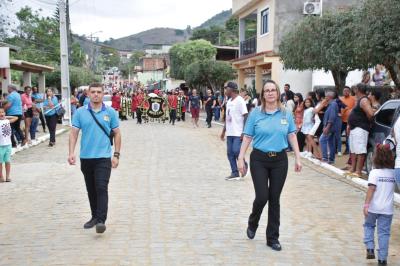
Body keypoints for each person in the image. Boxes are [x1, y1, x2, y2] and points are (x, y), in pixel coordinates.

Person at [238, 79, 302, 251]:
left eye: (273, 90)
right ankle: (253, 222)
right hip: (259, 159)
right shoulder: (255, 114)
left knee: (275, 199)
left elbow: (292, 136)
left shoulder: (286, 113)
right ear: (263, 94)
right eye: (267, 90)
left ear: (278, 92)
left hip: (280, 161)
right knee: (262, 196)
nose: (270, 93)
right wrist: (240, 157)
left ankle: (272, 238)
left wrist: (298, 157)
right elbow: (247, 137)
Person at [68, 83, 121, 234]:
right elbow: (74, 133)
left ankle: (101, 220)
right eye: (93, 92)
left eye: (99, 92)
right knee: (91, 189)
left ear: (103, 94)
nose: (96, 94)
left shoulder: (110, 112)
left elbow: (117, 133)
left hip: (103, 158)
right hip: (86, 158)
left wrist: (116, 155)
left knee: (101, 187)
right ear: (88, 94)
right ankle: (94, 216)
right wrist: (71, 153)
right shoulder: (79, 112)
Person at [363, 144, 395, 265]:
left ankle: (370, 247)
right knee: (384, 234)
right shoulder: (393, 174)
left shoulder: (374, 172)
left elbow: (371, 189)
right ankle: (382, 259)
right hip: (387, 210)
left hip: (373, 207)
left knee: (368, 226)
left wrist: (366, 205)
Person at [219, 82, 248, 180]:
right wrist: (223, 132)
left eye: (226, 89)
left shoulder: (240, 100)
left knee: (236, 150)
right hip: (230, 132)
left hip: (238, 132)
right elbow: (227, 119)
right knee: (229, 153)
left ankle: (243, 165)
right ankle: (234, 172)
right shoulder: (229, 102)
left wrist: (244, 131)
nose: (225, 91)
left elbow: (245, 116)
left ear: (231, 89)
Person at [347, 83, 375, 177]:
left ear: (357, 90)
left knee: (360, 150)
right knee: (354, 150)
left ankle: (358, 171)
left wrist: (366, 121)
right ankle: (353, 168)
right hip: (355, 128)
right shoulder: (359, 100)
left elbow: (371, 114)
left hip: (361, 128)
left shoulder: (363, 100)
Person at [319, 91, 339, 164]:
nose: (325, 98)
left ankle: (325, 158)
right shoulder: (331, 104)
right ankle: (331, 159)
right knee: (331, 142)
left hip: (330, 127)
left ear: (329, 97)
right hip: (330, 127)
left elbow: (332, 117)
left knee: (322, 140)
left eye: (326, 96)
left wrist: (327, 127)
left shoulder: (333, 104)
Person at [0, 108, 18, 183]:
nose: (1, 113)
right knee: (0, 162)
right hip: (0, 145)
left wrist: (5, 117)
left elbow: (16, 117)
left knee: (7, 161)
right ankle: (1, 176)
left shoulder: (7, 121)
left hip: (8, 144)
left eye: (3, 112)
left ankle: (7, 176)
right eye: (0, 113)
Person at [339, 86, 356, 155]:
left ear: (349, 92)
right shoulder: (340, 99)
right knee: (338, 134)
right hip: (341, 120)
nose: (345, 92)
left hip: (349, 121)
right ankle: (337, 149)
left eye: (347, 91)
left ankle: (348, 149)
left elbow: (355, 108)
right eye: (344, 91)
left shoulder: (353, 98)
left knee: (347, 135)